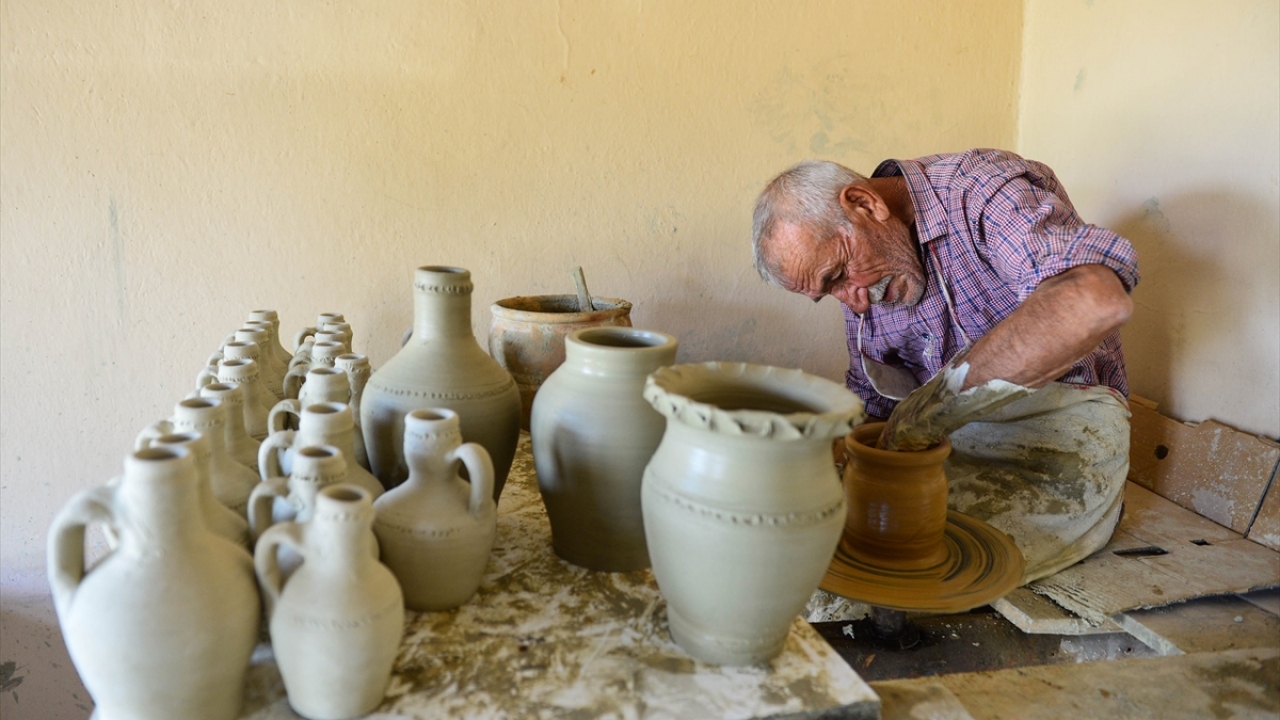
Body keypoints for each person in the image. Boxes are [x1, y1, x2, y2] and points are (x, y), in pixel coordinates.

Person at [752, 149, 1140, 584]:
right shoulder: (865, 278)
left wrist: (941, 401)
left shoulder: (979, 190)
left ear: (865, 204)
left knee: (917, 567)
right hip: (944, 455)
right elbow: (870, 405)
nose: (854, 301)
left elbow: (1090, 301)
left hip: (1061, 447)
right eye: (829, 292)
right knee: (796, 547)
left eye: (839, 275)